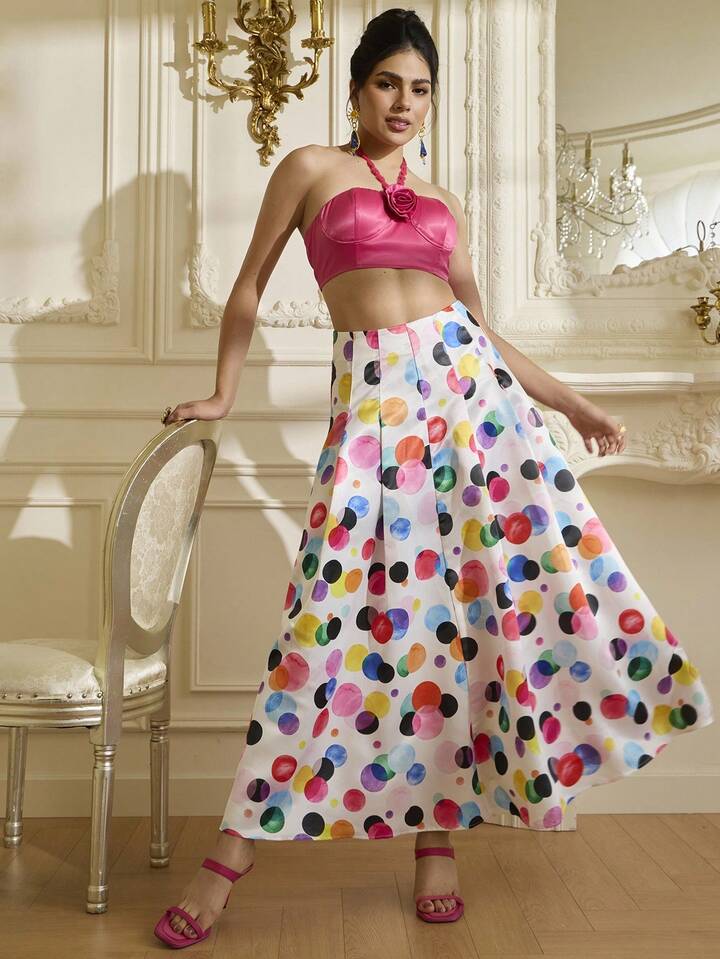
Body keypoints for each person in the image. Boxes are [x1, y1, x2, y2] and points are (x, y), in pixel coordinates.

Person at [154, 8, 714, 947]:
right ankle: (229, 856)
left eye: (420, 89)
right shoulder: (309, 169)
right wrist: (222, 394)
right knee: (324, 621)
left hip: (471, 412)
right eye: (387, 83)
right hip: (374, 410)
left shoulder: (442, 200)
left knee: (461, 622)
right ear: (356, 89)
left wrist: (573, 404)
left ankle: (436, 844)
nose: (404, 103)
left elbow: (481, 332)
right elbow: (247, 284)